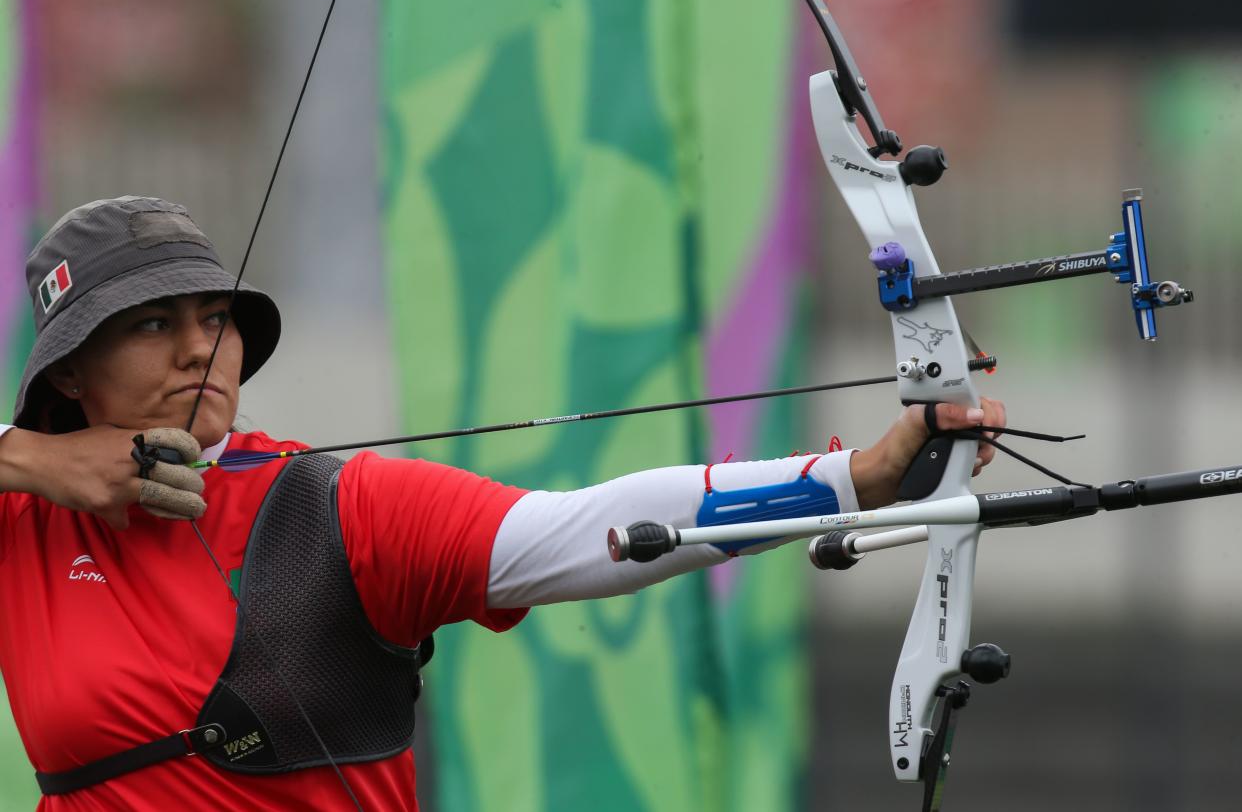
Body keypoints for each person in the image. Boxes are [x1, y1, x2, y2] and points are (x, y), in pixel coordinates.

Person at [0, 196, 1004, 810]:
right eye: (150, 324)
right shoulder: (22, 522)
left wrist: (852, 481)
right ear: (72, 373)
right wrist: (39, 465)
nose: (199, 348)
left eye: (214, 317)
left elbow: (588, 527)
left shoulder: (324, 510)